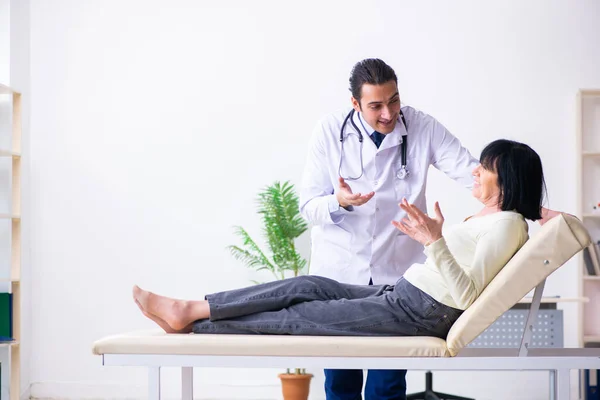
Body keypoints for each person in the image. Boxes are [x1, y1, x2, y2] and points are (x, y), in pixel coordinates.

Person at [132, 140, 547, 367]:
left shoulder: (509, 224)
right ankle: (190, 309)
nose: (475, 170)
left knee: (302, 317)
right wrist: (432, 239)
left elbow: (467, 295)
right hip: (404, 296)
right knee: (309, 284)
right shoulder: (492, 217)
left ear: (507, 177)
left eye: (485, 167)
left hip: (421, 311)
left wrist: (433, 241)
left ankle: (192, 323)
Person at [297, 58, 557, 400]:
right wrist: (340, 201)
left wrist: (532, 207)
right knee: (340, 381)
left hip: (398, 276)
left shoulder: (421, 127)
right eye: (376, 106)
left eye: (394, 100)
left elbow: (473, 173)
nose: (389, 114)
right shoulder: (329, 131)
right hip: (340, 268)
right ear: (355, 104)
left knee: (386, 385)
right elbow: (308, 207)